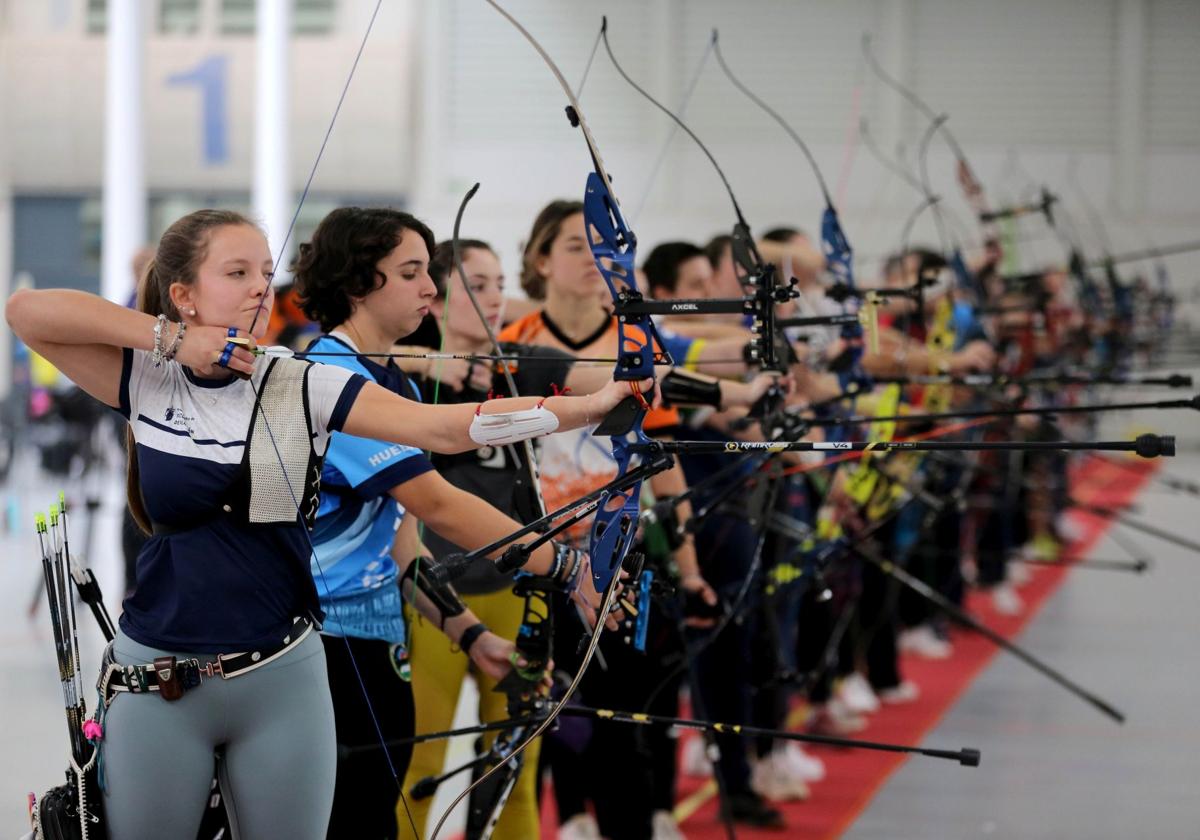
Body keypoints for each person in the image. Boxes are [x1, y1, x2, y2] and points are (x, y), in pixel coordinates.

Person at [5, 208, 633, 840]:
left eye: (265, 272)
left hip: (281, 676)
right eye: (238, 271)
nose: (260, 286)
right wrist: (171, 339)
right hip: (158, 678)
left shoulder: (300, 380)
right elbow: (26, 312)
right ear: (183, 295)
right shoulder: (145, 377)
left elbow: (445, 427)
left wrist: (588, 407)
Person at [292, 207, 597, 838]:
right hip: (325, 643)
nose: (432, 287)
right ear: (358, 284)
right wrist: (564, 563)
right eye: (411, 272)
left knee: (378, 806)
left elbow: (404, 543)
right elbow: (437, 505)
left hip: (378, 638)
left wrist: (470, 633)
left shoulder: (389, 375)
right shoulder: (329, 374)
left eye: (429, 270)